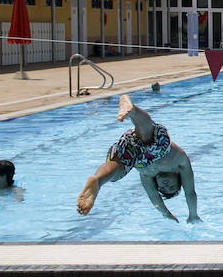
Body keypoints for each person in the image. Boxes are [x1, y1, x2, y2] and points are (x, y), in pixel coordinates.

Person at [76, 95, 200, 223]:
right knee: (147, 135)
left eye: (163, 189)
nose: (166, 186)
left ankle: (97, 180)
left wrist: (166, 214)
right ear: (178, 177)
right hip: (160, 146)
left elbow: (154, 197)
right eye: (172, 186)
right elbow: (190, 193)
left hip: (136, 155)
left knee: (118, 168)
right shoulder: (180, 164)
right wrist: (193, 215)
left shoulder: (147, 176)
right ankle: (132, 110)